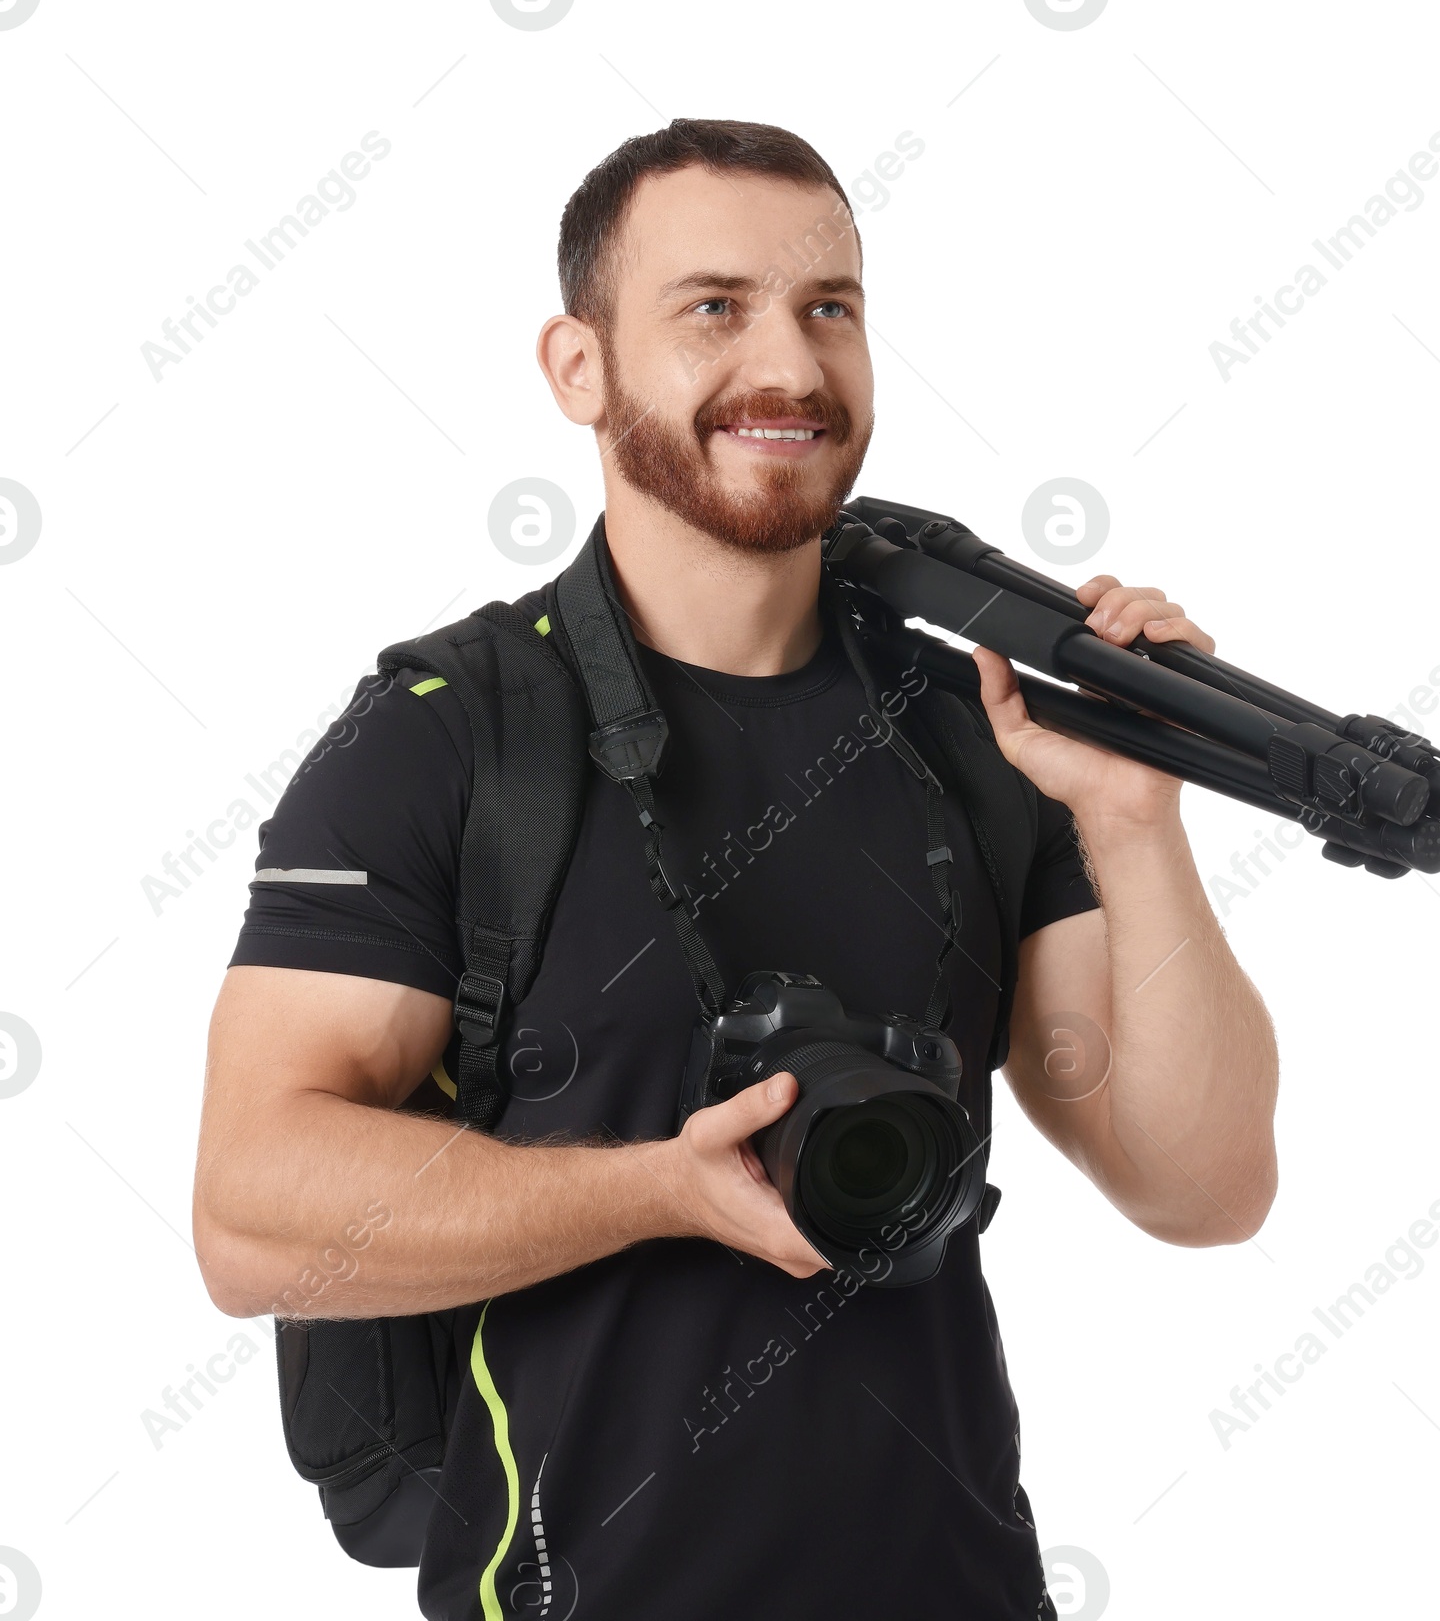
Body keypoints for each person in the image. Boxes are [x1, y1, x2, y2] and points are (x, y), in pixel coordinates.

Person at [193, 117, 1278, 1620]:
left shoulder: (975, 730)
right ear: (578, 368)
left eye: (829, 307)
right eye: (714, 308)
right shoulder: (447, 739)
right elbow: (247, 1217)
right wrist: (658, 1190)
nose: (790, 365)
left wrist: (1138, 821)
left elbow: (1204, 1184)